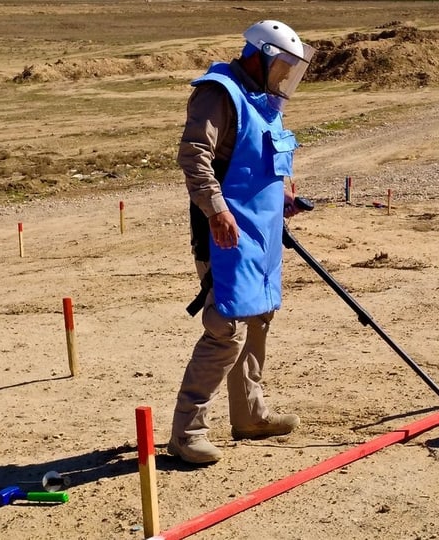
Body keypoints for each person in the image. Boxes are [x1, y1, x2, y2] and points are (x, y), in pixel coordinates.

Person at [170, 20, 316, 464]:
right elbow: (194, 155)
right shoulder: (219, 92)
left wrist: (287, 194)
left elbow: (270, 157)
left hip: (262, 229)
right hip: (223, 229)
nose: (285, 75)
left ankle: (250, 415)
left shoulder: (264, 99)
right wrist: (216, 211)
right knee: (226, 326)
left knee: (261, 315)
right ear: (258, 55)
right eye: (281, 65)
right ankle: (187, 432)